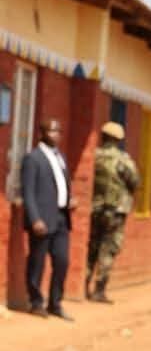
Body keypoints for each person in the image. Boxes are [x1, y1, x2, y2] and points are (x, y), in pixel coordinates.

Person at [21, 118, 75, 321]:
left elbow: (61, 185)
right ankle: (36, 302)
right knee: (37, 262)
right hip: (42, 219)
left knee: (62, 261)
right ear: (41, 133)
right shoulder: (32, 158)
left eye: (58, 131)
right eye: (51, 131)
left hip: (61, 217)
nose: (56, 135)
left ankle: (55, 303)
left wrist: (69, 200)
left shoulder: (60, 157)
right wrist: (35, 218)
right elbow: (28, 192)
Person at [86, 121, 139, 303]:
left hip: (95, 209)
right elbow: (135, 182)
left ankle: (84, 284)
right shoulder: (123, 160)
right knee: (108, 249)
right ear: (119, 139)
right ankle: (99, 290)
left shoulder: (94, 156)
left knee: (92, 247)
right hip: (115, 212)